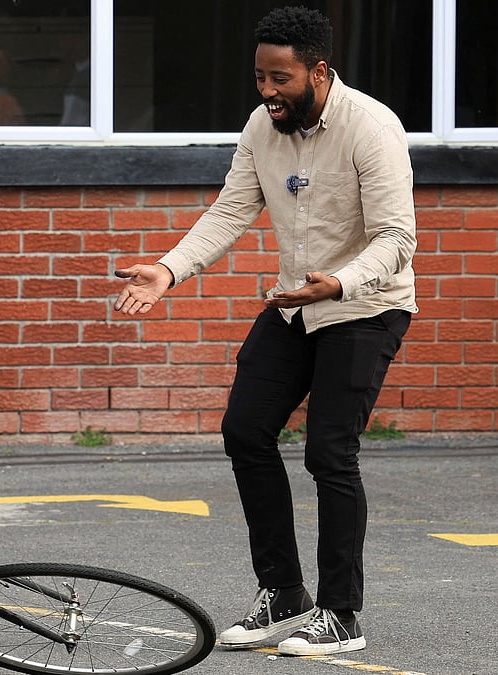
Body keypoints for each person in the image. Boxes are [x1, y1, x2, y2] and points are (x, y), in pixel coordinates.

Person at [113, 6, 416, 658]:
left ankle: (341, 614)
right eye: (260, 78)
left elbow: (397, 239)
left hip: (365, 306)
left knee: (329, 452)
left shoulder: (371, 128)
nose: (268, 92)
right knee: (246, 430)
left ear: (318, 71)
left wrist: (338, 283)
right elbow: (230, 211)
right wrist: (169, 269)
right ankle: (283, 591)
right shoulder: (261, 127)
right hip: (294, 304)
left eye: (281, 79)